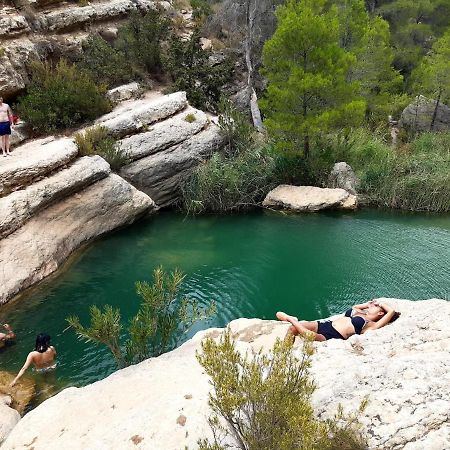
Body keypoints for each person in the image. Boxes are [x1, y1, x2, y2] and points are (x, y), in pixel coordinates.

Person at [276, 300, 400, 342]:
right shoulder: (359, 312)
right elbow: (355, 307)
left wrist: (382, 303)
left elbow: (391, 311)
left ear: (380, 313)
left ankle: (291, 319)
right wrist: (368, 304)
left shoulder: (371, 325)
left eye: (375, 306)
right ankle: (283, 354)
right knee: (292, 329)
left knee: (307, 335)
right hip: (326, 324)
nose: (372, 305)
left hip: (333, 335)